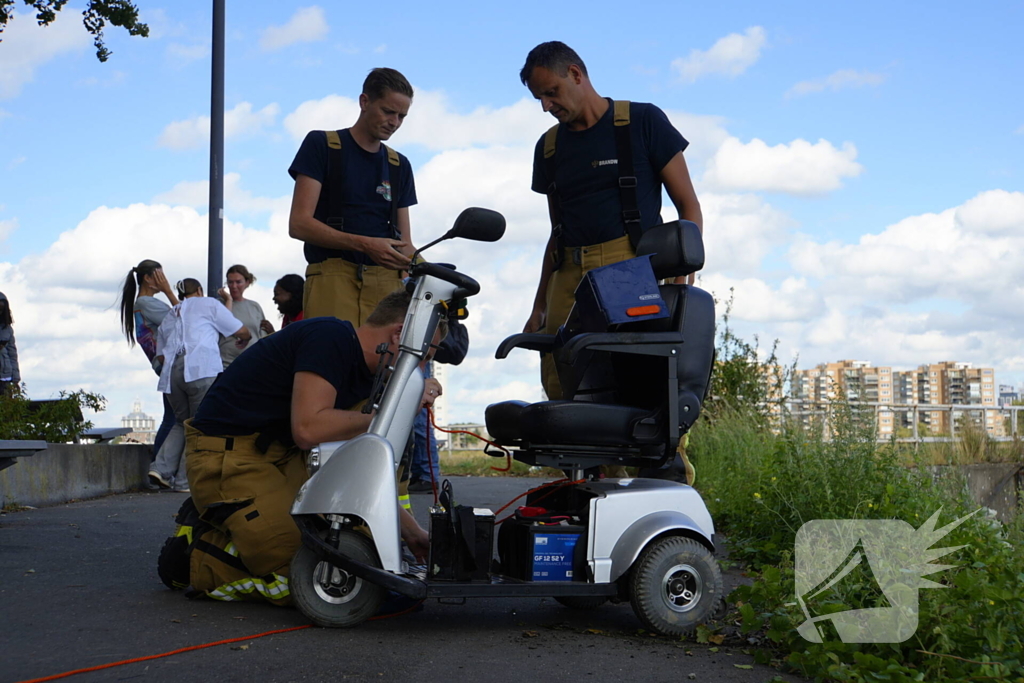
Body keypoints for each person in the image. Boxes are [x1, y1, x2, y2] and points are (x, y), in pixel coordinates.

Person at [170, 290, 439, 605]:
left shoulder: (370, 376)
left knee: (364, 554)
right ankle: (199, 554)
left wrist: (412, 533)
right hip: (231, 458)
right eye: (424, 356)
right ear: (398, 335)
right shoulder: (330, 338)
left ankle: (240, 528)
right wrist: (392, 411)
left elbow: (358, 472)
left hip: (285, 458)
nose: (420, 369)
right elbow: (308, 429)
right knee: (309, 577)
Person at [520, 41, 703, 483]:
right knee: (562, 374)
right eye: (538, 99)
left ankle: (664, 478)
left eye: (551, 92)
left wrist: (684, 268)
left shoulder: (640, 121)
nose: (546, 106)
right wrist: (539, 305)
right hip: (568, 269)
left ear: (576, 74)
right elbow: (554, 231)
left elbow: (688, 206)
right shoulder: (548, 148)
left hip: (627, 264)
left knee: (634, 376)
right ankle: (596, 484)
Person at [287, 67, 418, 326]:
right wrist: (367, 244)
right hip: (331, 278)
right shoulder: (322, 145)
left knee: (381, 366)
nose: (395, 122)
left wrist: (432, 273)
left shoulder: (399, 165)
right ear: (364, 101)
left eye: (402, 116)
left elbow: (406, 244)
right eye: (388, 112)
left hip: (385, 285)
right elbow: (298, 224)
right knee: (330, 361)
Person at [148, 279, 250, 492]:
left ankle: (160, 468)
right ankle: (185, 482)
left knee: (180, 422)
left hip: (172, 373)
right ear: (200, 291)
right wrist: (244, 338)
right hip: (199, 367)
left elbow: (159, 356)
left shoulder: (170, 314)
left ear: (181, 293)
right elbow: (239, 329)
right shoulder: (209, 304)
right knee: (197, 425)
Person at [118, 259, 180, 457]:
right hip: (169, 365)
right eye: (160, 276)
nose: (164, 280)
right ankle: (159, 466)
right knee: (174, 420)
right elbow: (185, 319)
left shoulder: (143, 303)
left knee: (172, 418)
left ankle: (160, 467)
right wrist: (169, 292)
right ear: (147, 278)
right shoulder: (146, 303)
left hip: (163, 365)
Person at [217, 264, 268, 367]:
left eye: (238, 282)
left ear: (247, 283)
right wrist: (229, 300)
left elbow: (262, 335)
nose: (234, 286)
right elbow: (225, 323)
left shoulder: (255, 306)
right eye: (230, 282)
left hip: (253, 362)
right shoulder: (219, 304)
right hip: (226, 363)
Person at [0, 291, 20, 396]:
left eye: (1, 310)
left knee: (7, 409)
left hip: (5, 377)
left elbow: (12, 354)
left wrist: (15, 379)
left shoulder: (7, 329)